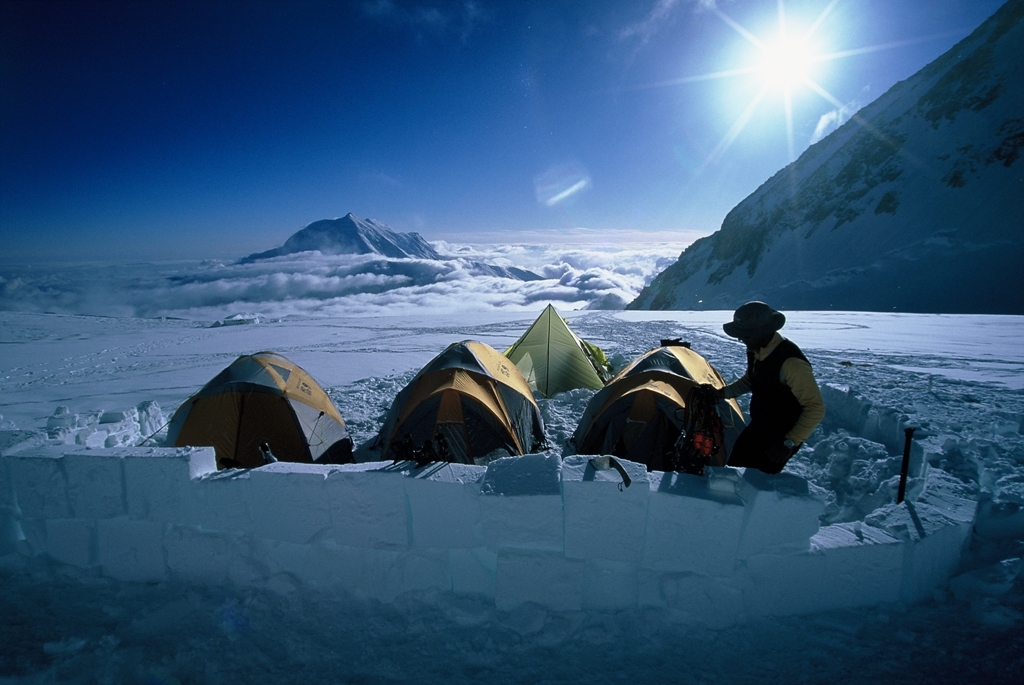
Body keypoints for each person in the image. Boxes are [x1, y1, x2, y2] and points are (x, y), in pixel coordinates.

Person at [717, 301, 825, 474]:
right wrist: (724, 393)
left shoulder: (791, 362)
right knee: (736, 464)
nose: (741, 339)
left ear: (762, 332)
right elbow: (753, 379)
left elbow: (815, 407)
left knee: (755, 479)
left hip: (782, 435)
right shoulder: (758, 349)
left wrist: (789, 442)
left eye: (746, 335)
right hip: (762, 425)